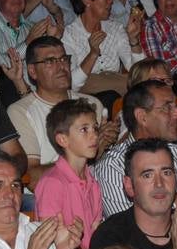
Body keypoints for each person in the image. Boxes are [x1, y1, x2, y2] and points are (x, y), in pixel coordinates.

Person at [96, 80, 177, 217]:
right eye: (167, 108)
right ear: (142, 117)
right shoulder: (113, 167)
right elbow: (128, 231)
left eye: (176, 107)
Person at [6, 36, 108, 184]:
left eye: (63, 59)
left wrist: (105, 145)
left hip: (91, 190)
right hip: (46, 197)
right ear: (32, 71)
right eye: (50, 61)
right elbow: (32, 177)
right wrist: (80, 155)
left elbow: (98, 164)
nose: (61, 66)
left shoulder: (92, 104)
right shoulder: (21, 112)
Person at [32, 98, 103, 249]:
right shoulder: (52, 183)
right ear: (63, 139)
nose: (94, 136)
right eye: (84, 130)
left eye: (95, 128)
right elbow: (52, 247)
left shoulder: (93, 182)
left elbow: (96, 232)